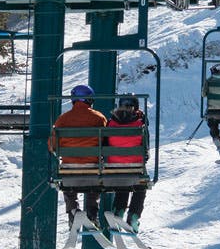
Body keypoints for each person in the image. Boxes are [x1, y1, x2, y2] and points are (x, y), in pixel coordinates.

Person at [50, 84, 109, 227]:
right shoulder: (99, 118)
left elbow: (52, 145)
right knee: (93, 184)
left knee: (68, 185)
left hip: (69, 167)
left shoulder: (63, 119)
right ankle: (92, 214)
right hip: (92, 166)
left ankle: (73, 211)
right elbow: (106, 141)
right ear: (90, 100)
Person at [106, 95, 148, 230]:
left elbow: (105, 143)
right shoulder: (140, 122)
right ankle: (134, 215)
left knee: (122, 181)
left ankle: (119, 211)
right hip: (135, 166)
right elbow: (145, 146)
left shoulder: (111, 122)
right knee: (140, 185)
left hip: (114, 165)